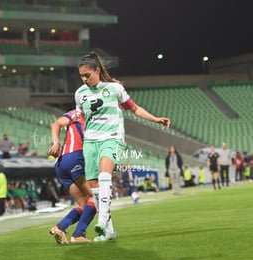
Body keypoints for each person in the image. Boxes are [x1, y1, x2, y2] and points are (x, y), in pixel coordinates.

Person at [74, 52, 171, 240]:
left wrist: (155, 119)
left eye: (87, 75)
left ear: (97, 70)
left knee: (104, 174)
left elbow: (134, 108)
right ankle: (109, 231)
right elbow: (82, 118)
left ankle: (101, 220)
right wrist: (84, 138)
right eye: (81, 76)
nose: (84, 79)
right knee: (93, 185)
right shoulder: (79, 94)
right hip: (90, 142)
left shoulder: (114, 88)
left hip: (112, 137)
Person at [48, 110, 98, 243]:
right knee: (95, 197)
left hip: (60, 162)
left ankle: (60, 227)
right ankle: (78, 235)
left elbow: (56, 124)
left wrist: (56, 143)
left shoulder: (75, 114)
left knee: (83, 203)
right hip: (75, 157)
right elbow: (56, 124)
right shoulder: (87, 116)